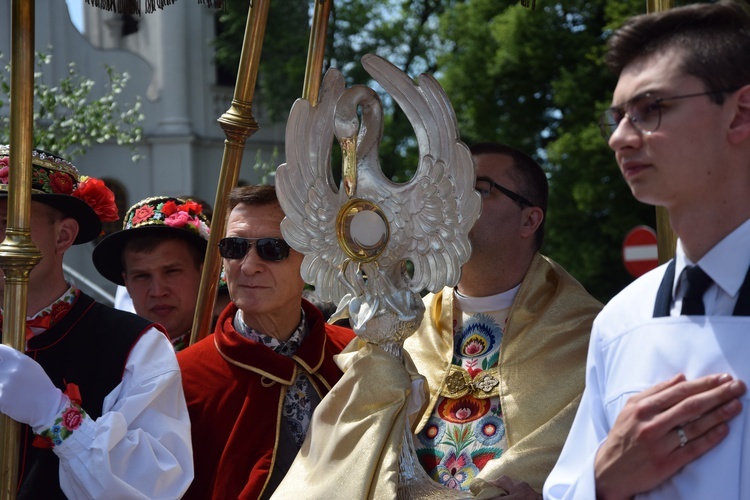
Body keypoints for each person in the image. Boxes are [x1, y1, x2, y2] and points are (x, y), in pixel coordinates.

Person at [544, 2, 750, 498]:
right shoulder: (620, 320)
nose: (619, 138)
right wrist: (604, 480)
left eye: (650, 109)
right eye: (616, 117)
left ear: (741, 114)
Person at [402, 142, 603, 497]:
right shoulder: (405, 329)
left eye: (480, 189)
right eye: (451, 190)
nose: (457, 204)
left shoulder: (590, 335)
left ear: (529, 219)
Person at [0, 147, 193, 498]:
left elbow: (155, 486)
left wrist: (55, 415)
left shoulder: (136, 345)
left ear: (63, 236)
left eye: (7, 223)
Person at [177, 184, 355, 499]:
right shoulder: (183, 376)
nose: (248, 265)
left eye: (272, 248)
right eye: (234, 247)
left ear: (311, 258)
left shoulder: (356, 356)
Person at [93, 196, 210, 350]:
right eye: (142, 276)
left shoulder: (233, 353)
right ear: (127, 284)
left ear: (203, 275)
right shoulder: (107, 357)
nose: (158, 291)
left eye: (171, 272)